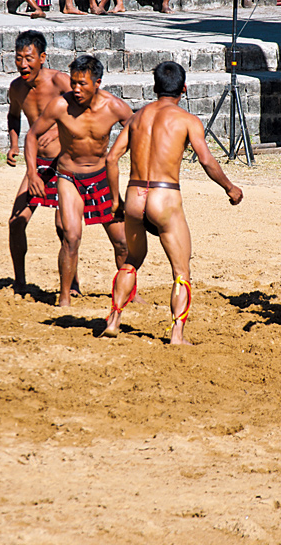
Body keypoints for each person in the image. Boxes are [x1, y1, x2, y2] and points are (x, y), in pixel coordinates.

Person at [103, 61, 243, 344]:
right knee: (181, 271)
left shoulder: (136, 118)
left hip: (134, 196)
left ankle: (114, 318)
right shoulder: (187, 120)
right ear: (184, 88)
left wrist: (115, 198)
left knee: (131, 261)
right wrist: (229, 187)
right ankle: (177, 334)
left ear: (155, 87)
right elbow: (206, 159)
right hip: (164, 197)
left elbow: (111, 158)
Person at [24, 55, 131, 306]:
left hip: (101, 177)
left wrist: (119, 155)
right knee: (71, 237)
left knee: (123, 242)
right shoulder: (60, 106)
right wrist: (31, 172)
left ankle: (129, 295)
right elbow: (32, 135)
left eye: (82, 84)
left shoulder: (114, 107)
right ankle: (64, 298)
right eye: (73, 83)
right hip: (68, 177)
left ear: (98, 83)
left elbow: (137, 130)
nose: (76, 89)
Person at [7, 31, 74, 294]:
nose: (23, 64)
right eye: (18, 58)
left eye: (29, 58)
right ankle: (20, 282)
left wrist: (58, 129)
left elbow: (84, 106)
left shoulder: (60, 81)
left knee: (63, 226)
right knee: (16, 222)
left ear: (42, 58)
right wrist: (13, 144)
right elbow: (13, 116)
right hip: (37, 165)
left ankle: (72, 284)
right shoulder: (16, 88)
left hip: (64, 163)